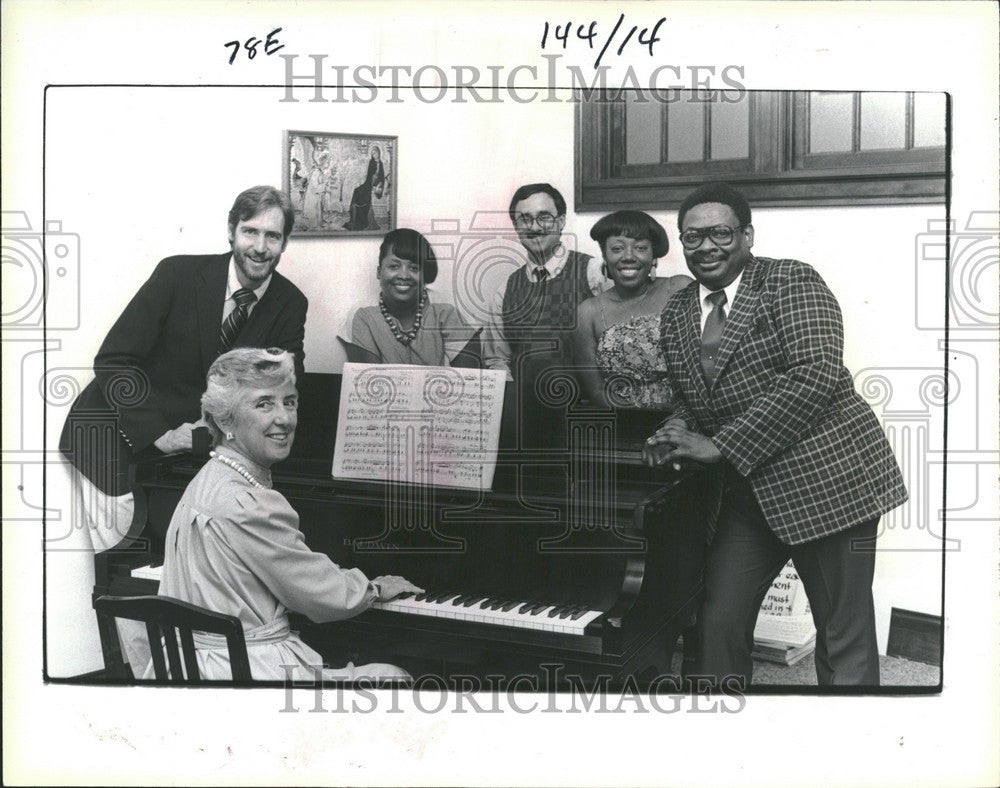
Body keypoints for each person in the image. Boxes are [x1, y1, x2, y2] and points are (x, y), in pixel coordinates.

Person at [644, 182, 908, 688]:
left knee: (842, 633)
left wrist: (719, 445)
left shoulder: (790, 280)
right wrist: (674, 430)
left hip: (830, 481)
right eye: (692, 236)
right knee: (719, 621)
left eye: (719, 233)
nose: (706, 246)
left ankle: (857, 748)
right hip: (747, 493)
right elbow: (689, 394)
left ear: (746, 235)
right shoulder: (677, 312)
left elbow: (815, 373)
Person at [147, 348, 421, 681]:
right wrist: (373, 587)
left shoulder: (207, 477)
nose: (285, 418)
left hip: (189, 665)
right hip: (247, 673)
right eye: (264, 404)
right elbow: (320, 593)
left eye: (288, 402)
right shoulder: (249, 502)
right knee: (394, 676)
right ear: (225, 420)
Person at [59, 185, 308, 550]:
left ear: (284, 243)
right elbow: (115, 360)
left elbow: (282, 385)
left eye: (272, 236)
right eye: (250, 231)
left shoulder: (290, 302)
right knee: (131, 574)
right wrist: (159, 433)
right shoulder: (177, 274)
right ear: (230, 231)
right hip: (112, 437)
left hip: (191, 452)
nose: (259, 247)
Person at [482, 183, 605, 379]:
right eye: (524, 219)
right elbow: (497, 361)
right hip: (526, 404)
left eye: (544, 217)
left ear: (562, 221)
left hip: (588, 404)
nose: (534, 227)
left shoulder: (594, 272)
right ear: (516, 226)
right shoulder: (505, 289)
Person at [573, 210, 692, 408]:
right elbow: (596, 391)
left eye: (640, 248)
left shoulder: (680, 289)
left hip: (687, 421)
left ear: (653, 255)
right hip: (624, 424)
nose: (628, 256)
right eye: (617, 248)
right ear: (605, 255)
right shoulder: (588, 313)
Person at [339, 228, 473, 366]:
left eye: (414, 268)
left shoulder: (445, 310)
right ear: (379, 273)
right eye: (394, 266)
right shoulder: (363, 315)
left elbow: (470, 377)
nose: (403, 275)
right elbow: (368, 381)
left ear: (424, 275)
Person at [346, 145, 386, 231]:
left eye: (374, 153)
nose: (373, 155)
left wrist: (378, 184)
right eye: (372, 153)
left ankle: (362, 218)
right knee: (357, 190)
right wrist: (370, 182)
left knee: (362, 193)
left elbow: (382, 177)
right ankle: (354, 218)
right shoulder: (371, 162)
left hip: (377, 184)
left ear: (379, 153)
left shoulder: (381, 163)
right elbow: (369, 175)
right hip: (369, 183)